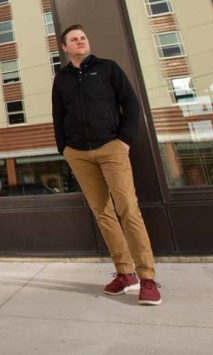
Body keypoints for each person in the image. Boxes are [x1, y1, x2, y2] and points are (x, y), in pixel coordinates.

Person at [52, 24, 162, 306]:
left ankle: (147, 277)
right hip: (78, 153)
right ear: (65, 48)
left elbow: (131, 104)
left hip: (111, 147)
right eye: (74, 40)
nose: (80, 42)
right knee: (103, 213)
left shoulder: (108, 68)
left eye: (83, 37)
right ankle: (125, 273)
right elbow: (58, 115)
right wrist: (63, 148)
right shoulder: (61, 79)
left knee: (128, 208)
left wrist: (124, 139)